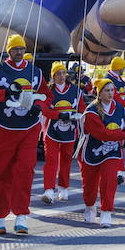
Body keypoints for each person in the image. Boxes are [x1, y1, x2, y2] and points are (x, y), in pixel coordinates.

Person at [0, 33, 47, 235]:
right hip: (3, 129)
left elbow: (46, 96)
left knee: (25, 171)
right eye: (15, 49)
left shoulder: (35, 72)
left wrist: (38, 106)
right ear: (8, 50)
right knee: (1, 173)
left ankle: (21, 216)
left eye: (22, 48)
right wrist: (3, 94)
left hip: (28, 129)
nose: (19, 52)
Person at [80, 77, 125, 227]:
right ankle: (89, 206)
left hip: (112, 151)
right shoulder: (91, 111)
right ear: (99, 93)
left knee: (109, 181)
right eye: (106, 90)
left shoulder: (120, 108)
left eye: (112, 90)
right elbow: (101, 133)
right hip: (92, 152)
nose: (110, 93)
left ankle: (106, 212)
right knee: (90, 185)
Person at [39, 61, 82, 204]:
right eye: (58, 74)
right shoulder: (49, 92)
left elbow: (82, 110)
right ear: (53, 76)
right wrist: (58, 115)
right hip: (51, 131)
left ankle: (63, 187)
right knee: (51, 160)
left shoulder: (76, 91)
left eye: (63, 73)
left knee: (66, 160)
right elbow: (44, 110)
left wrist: (78, 117)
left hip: (69, 131)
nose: (62, 76)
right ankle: (49, 190)